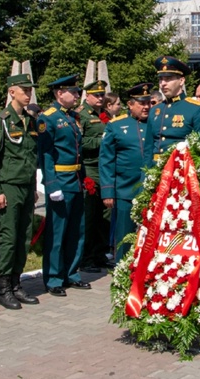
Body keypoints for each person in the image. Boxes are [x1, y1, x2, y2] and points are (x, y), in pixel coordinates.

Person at [0, 73, 41, 310]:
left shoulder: (29, 120)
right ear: (11, 92)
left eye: (30, 90)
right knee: (8, 238)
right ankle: (4, 288)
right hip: (8, 187)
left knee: (23, 236)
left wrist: (33, 187)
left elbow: (30, 156)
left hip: (26, 187)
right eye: (23, 90)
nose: (28, 94)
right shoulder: (2, 122)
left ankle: (16, 284)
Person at [38, 75, 89, 297]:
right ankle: (53, 278)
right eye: (74, 91)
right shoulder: (47, 118)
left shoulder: (73, 117)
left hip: (76, 180)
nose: (77, 95)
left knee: (76, 231)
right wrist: (51, 184)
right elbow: (46, 154)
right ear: (60, 93)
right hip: (60, 181)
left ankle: (71, 273)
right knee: (57, 233)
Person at [99, 83, 151, 264]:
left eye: (148, 103)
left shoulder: (156, 124)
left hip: (152, 191)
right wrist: (107, 191)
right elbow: (106, 160)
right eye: (141, 103)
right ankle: (122, 271)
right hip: (125, 190)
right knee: (124, 238)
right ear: (130, 105)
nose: (146, 107)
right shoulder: (116, 126)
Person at [145, 56, 200, 161]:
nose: (163, 83)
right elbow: (148, 148)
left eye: (168, 79)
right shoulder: (155, 110)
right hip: (155, 172)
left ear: (181, 81)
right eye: (161, 79)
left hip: (181, 171)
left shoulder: (195, 109)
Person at [79, 80, 110, 273]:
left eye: (102, 95)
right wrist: (101, 140)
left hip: (103, 169)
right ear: (87, 96)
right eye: (96, 95)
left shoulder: (103, 115)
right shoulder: (81, 115)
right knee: (89, 217)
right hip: (89, 168)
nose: (100, 98)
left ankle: (100, 254)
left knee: (104, 216)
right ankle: (86, 257)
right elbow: (79, 141)